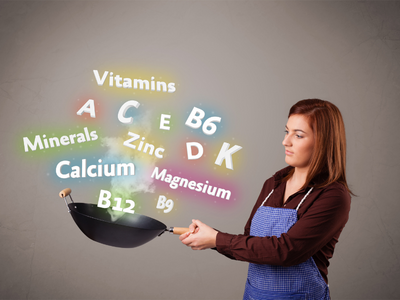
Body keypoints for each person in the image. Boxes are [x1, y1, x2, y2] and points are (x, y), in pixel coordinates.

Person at [179, 99, 352, 300]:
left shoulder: (332, 196)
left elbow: (286, 251)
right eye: (286, 132)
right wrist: (211, 239)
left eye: (298, 135)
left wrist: (217, 239)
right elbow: (251, 243)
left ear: (323, 142)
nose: (286, 142)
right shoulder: (274, 184)